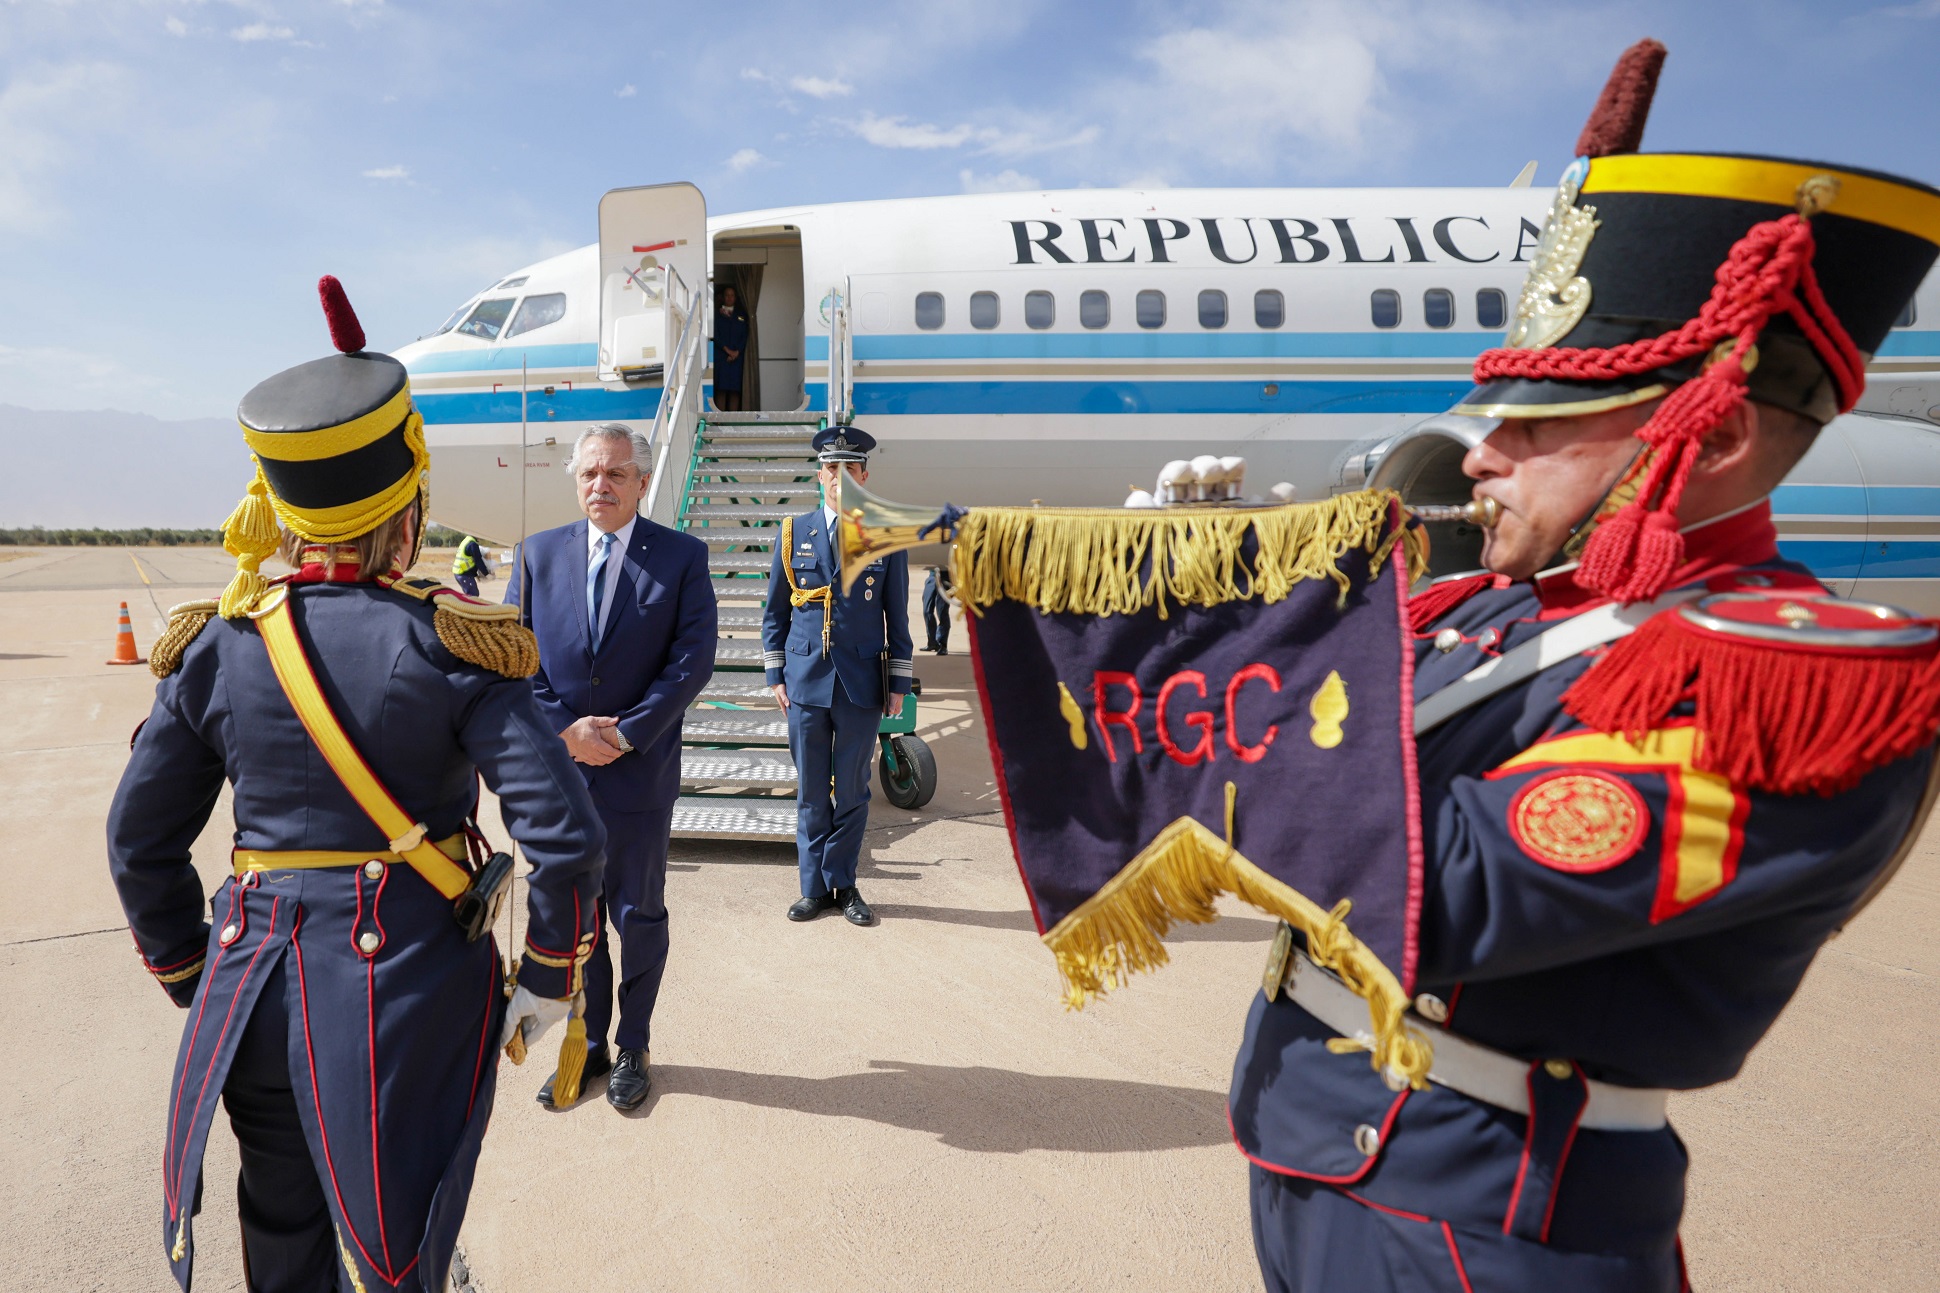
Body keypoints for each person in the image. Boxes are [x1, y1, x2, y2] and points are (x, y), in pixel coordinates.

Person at [1232, 42, 1940, 1292]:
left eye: (1539, 423)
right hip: (1324, 1163)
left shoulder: (1782, 684)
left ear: (1708, 430)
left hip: (1476, 1226)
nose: (1484, 452)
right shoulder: (1497, 615)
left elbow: (1425, 891)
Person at [106, 276, 604, 1293]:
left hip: (248, 993)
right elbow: (564, 836)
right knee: (398, 1237)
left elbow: (137, 840)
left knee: (282, 1226)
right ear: (407, 511)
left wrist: (192, 973)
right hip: (403, 991)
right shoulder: (453, 642)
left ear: (281, 509)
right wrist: (549, 978)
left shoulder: (218, 647)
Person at [505, 422, 717, 1111]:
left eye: (616, 474)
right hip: (563, 779)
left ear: (642, 481)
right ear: (576, 478)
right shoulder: (538, 555)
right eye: (591, 473)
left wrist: (625, 734)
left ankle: (634, 1042)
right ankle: (589, 1041)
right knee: (578, 917)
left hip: (637, 775)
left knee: (638, 915)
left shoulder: (681, 557)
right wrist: (564, 731)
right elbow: (515, 658)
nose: (601, 485)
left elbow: (691, 661)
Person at [763, 423, 914, 925]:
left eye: (851, 468)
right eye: (832, 468)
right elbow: (775, 614)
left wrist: (897, 683)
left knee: (851, 791)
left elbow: (898, 616)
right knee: (810, 790)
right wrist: (775, 675)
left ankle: (844, 885)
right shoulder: (793, 534)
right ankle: (812, 888)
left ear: (864, 475)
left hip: (860, 685)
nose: (840, 477)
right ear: (819, 476)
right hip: (805, 682)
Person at [713, 284, 749, 412]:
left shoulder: (741, 315)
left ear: (735, 298)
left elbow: (744, 336)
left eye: (732, 295)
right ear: (723, 297)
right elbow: (715, 335)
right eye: (727, 295)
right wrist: (727, 351)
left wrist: (736, 352)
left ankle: (732, 419)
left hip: (736, 358)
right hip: (721, 357)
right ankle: (720, 419)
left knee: (735, 390)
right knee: (721, 389)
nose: (729, 298)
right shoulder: (716, 315)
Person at [921, 564, 954, 655]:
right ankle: (932, 642)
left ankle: (942, 645)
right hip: (932, 576)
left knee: (942, 612)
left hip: (946, 576)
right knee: (926, 611)